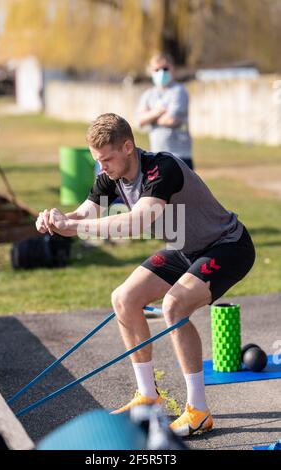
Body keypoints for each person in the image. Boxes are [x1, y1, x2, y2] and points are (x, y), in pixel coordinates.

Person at [36, 113, 255, 437]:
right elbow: (84, 214)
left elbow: (136, 222)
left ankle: (198, 411)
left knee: (174, 305)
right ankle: (147, 397)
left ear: (128, 147)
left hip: (227, 245)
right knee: (123, 298)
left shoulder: (161, 169)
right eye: (98, 161)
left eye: (106, 159)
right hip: (183, 247)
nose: (102, 167)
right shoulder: (109, 175)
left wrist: (74, 226)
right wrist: (57, 218)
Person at [137, 52, 194, 171]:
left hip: (180, 155)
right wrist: (159, 112)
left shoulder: (179, 92)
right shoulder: (148, 94)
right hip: (157, 155)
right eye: (156, 69)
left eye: (165, 68)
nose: (161, 73)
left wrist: (150, 118)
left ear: (172, 69)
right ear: (151, 71)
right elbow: (139, 121)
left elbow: (172, 120)